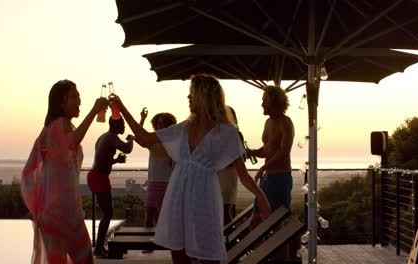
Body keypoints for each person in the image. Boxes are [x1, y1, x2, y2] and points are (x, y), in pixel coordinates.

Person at [110, 74, 271, 264]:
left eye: (191, 94)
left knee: (208, 252)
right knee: (178, 253)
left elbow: (243, 176)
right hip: (179, 194)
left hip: (205, 197)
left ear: (203, 96)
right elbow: (145, 138)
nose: (188, 99)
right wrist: (122, 107)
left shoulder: (227, 132)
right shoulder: (185, 127)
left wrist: (261, 198)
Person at [21, 79, 108, 264]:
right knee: (84, 259)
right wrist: (94, 111)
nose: (79, 101)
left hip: (56, 212)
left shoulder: (57, 127)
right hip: (62, 212)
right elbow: (72, 142)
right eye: (74, 97)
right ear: (61, 102)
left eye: (79, 96)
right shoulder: (58, 126)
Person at [248, 85, 294, 258]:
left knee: (276, 226)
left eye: (264, 100)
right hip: (267, 179)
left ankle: (280, 259)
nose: (261, 104)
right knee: (254, 223)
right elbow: (267, 150)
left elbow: (284, 152)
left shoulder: (286, 122)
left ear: (273, 101)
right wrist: (252, 152)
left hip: (279, 179)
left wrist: (263, 167)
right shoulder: (268, 122)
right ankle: (266, 256)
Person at [87, 117, 134, 258]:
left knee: (107, 213)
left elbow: (103, 159)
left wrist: (116, 160)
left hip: (98, 176)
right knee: (108, 213)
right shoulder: (111, 137)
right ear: (114, 125)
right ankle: (98, 248)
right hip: (98, 177)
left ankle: (99, 247)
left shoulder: (104, 137)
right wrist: (132, 138)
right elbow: (127, 148)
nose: (124, 127)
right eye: (122, 124)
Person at [138, 108, 177, 253]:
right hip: (154, 184)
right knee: (149, 214)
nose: (159, 127)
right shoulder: (153, 143)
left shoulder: (172, 143)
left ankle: (166, 244)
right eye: (158, 124)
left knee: (164, 217)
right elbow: (140, 137)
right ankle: (147, 246)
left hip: (168, 184)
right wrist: (142, 118)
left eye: (162, 124)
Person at [217, 106, 244, 225]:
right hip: (218, 175)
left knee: (226, 209)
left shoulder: (235, 133)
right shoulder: (215, 133)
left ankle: (229, 239)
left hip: (227, 175)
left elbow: (240, 158)